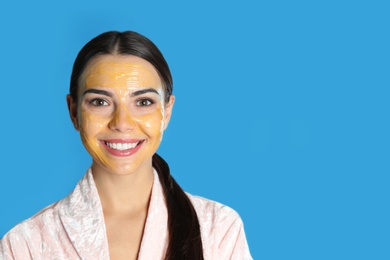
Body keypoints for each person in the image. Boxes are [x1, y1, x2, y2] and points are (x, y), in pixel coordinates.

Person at [0, 31, 252, 260]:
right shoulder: (26, 243)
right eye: (99, 102)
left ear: (167, 111)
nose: (121, 123)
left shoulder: (219, 229)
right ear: (74, 111)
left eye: (143, 102)